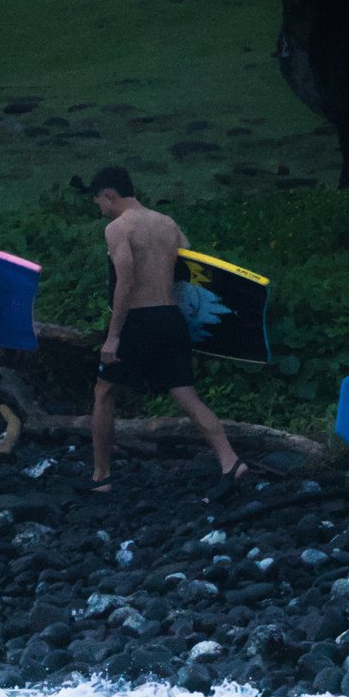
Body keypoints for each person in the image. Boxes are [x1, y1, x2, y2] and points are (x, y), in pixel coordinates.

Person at [82, 166, 246, 500]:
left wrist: (114, 336)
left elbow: (125, 280)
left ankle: (101, 475)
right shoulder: (167, 223)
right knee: (185, 393)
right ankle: (230, 460)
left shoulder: (118, 227)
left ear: (109, 195)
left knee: (104, 391)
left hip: (139, 319)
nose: (100, 209)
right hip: (171, 317)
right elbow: (191, 268)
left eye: (99, 201)